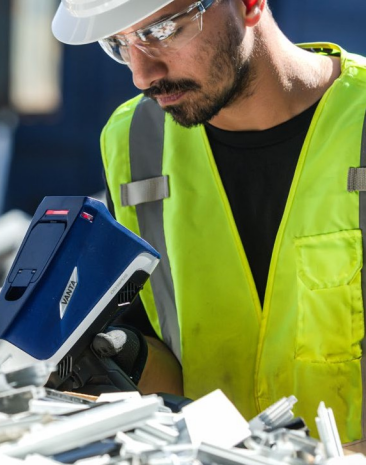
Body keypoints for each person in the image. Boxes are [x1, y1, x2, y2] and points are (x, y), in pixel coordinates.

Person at [51, 0, 366, 447]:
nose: (142, 75)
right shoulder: (134, 142)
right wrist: (116, 357)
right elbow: (169, 363)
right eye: (118, 43)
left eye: (161, 31)